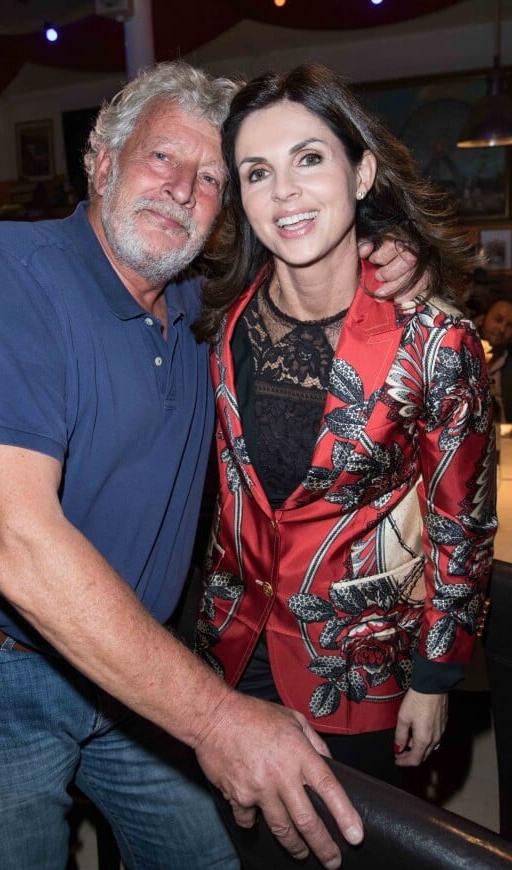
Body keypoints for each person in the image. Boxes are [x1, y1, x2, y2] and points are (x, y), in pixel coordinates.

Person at [0, 61, 420, 870]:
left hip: (138, 665)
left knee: (208, 856)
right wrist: (219, 720)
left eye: (212, 178)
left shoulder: (204, 310)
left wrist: (386, 256)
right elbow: (11, 540)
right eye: (163, 158)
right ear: (102, 162)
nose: (184, 189)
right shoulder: (4, 270)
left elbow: (318, 274)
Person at [194, 62, 497, 815]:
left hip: (357, 672)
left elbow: (463, 525)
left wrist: (434, 678)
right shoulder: (219, 322)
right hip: (228, 657)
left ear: (361, 173)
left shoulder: (438, 340)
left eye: (309, 158)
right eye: (258, 172)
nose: (285, 191)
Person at [474, 294, 512, 423]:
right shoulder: (462, 356)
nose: (502, 329)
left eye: (509, 325)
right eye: (498, 319)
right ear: (482, 318)